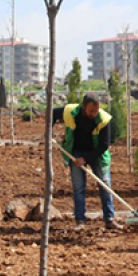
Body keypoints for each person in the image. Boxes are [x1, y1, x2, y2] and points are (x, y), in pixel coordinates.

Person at [55, 92, 118, 230]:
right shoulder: (71, 111)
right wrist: (49, 132)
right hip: (76, 152)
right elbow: (52, 114)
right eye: (91, 111)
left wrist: (86, 159)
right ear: (83, 107)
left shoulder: (104, 119)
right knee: (78, 188)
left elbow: (104, 145)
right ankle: (80, 221)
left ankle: (110, 219)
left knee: (105, 185)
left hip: (97, 154)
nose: (94, 113)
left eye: (96, 110)